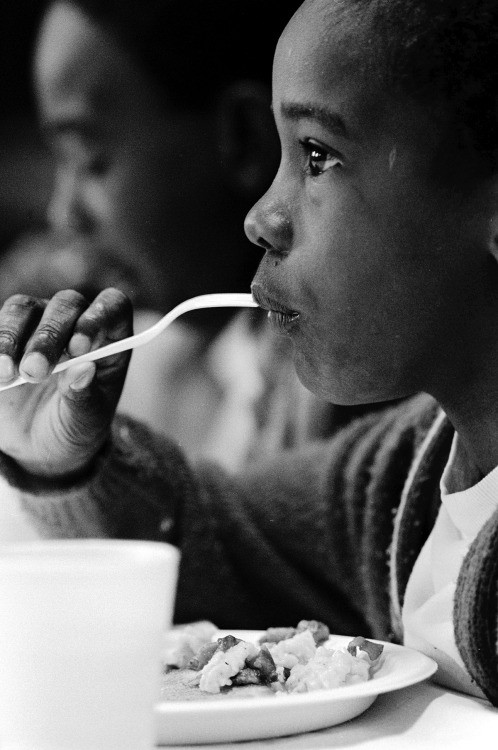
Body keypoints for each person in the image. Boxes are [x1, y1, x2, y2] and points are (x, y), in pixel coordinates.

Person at [0, 0, 496, 705]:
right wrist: (66, 458)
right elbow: (216, 539)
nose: (260, 217)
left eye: (317, 156)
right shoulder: (395, 478)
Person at [0, 0, 331, 468]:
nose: (63, 214)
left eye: (90, 159)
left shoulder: (331, 396)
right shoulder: (147, 345)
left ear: (244, 139)